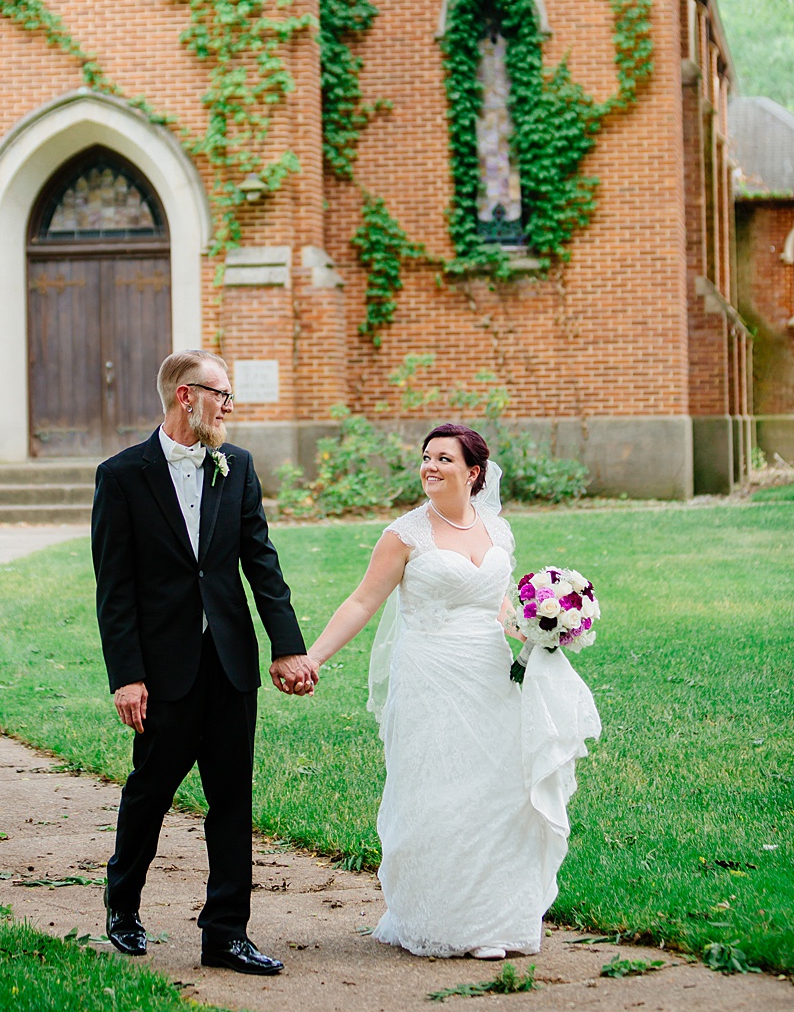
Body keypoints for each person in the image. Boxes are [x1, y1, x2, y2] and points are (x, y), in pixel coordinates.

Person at [306, 424, 600, 959]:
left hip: (489, 673)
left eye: (444, 458)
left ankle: (494, 921)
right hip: (430, 675)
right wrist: (314, 658)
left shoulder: (497, 531)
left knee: (497, 792)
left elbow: (499, 608)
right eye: (425, 457)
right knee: (437, 790)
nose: (431, 466)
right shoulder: (404, 534)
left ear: (473, 472)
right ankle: (440, 920)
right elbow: (361, 603)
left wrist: (542, 630)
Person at [91, 349, 318, 976]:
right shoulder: (122, 476)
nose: (228, 405)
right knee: (150, 791)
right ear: (186, 396)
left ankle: (225, 934)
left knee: (231, 801)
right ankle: (124, 906)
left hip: (229, 665)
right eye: (221, 394)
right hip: (162, 672)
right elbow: (115, 590)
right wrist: (127, 676)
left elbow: (260, 564)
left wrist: (287, 645)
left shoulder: (236, 467)